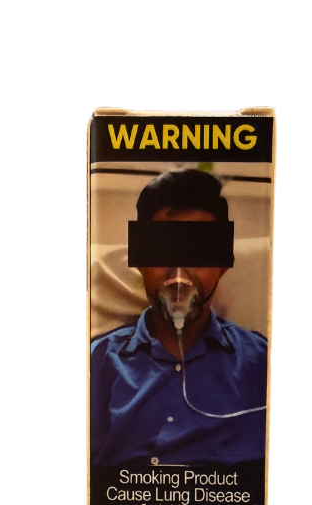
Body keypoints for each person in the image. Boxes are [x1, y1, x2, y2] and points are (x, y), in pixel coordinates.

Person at [90, 170, 267, 467]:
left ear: (223, 264)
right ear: (140, 261)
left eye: (198, 252)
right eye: (163, 250)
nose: (179, 276)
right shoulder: (98, 363)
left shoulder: (262, 364)